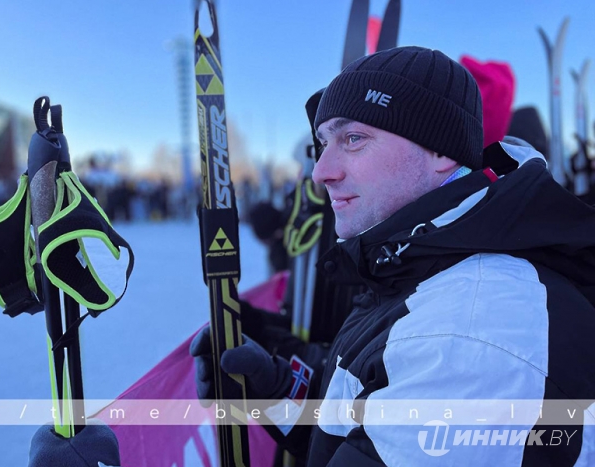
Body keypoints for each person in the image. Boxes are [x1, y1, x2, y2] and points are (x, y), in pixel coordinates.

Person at [191, 46, 595, 465]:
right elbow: (363, 425)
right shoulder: (412, 264)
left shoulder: (468, 334)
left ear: (441, 151)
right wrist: (279, 390)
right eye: (323, 143)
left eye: (353, 139)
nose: (321, 172)